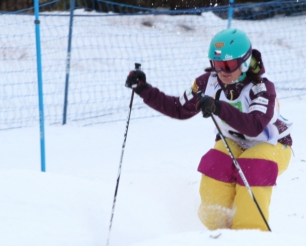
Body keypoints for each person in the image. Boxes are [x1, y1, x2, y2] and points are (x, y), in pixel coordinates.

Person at [124, 28, 293, 232]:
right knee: (216, 164)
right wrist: (144, 89)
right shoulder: (207, 82)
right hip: (235, 142)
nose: (222, 72)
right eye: (216, 64)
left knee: (252, 166)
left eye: (228, 65)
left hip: (272, 144)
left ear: (245, 62)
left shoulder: (261, 88)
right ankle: (216, 233)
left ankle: (250, 234)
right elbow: (179, 108)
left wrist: (219, 107)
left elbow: (255, 126)